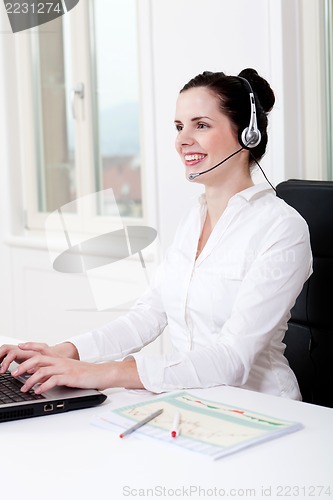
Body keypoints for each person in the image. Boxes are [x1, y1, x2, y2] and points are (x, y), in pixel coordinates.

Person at [0, 68, 312, 400]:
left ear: (247, 135)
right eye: (179, 127)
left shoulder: (281, 228)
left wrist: (104, 374)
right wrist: (66, 352)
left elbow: (233, 359)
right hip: (188, 399)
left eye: (201, 125)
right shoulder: (194, 218)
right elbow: (150, 314)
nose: (182, 140)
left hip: (261, 408)